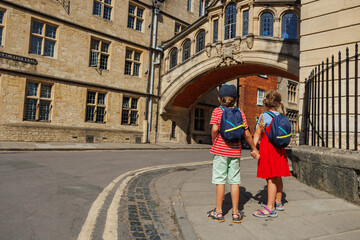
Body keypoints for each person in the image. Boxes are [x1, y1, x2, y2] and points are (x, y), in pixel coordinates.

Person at [207, 84, 260, 223]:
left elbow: (214, 129)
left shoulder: (217, 111)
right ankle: (236, 213)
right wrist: (254, 148)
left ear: (220, 98)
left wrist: (214, 142)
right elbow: (247, 133)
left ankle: (218, 212)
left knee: (220, 181)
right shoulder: (240, 113)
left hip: (220, 151)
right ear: (236, 99)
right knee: (235, 181)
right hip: (235, 152)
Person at [252, 90, 291, 218]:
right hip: (280, 150)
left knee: (270, 179)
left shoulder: (264, 116)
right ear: (278, 104)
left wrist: (254, 149)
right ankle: (278, 202)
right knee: (278, 176)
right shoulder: (282, 116)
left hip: (269, 150)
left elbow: (257, 134)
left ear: (266, 102)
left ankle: (270, 208)